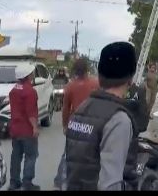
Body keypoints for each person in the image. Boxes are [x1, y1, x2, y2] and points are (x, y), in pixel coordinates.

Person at [65, 42, 138, 190]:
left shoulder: (81, 110)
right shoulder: (119, 120)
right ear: (130, 79)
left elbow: (69, 168)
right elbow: (110, 183)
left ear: (99, 76)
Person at [53, 58, 100, 190]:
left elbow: (66, 108)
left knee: (69, 154)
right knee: (92, 154)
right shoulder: (95, 84)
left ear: (75, 71)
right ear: (86, 69)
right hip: (93, 124)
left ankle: (60, 180)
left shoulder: (70, 86)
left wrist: (65, 125)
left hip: (75, 124)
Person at [8, 63, 40, 191]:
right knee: (31, 156)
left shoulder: (14, 90)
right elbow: (30, 112)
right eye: (32, 73)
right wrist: (35, 127)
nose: (33, 75)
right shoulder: (30, 91)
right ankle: (27, 183)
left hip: (15, 128)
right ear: (28, 75)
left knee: (16, 156)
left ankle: (14, 182)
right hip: (26, 129)